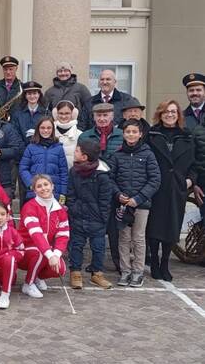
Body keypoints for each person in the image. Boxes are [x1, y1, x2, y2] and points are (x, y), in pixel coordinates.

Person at [146, 100, 195, 281]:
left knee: (171, 227)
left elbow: (195, 162)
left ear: (178, 114)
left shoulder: (187, 136)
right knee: (154, 226)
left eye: (173, 111)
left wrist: (190, 180)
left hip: (177, 187)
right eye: (166, 111)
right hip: (157, 187)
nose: (170, 115)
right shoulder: (151, 134)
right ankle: (155, 263)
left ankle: (165, 263)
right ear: (160, 114)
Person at [109, 119, 161, 287]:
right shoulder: (117, 155)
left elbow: (155, 179)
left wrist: (138, 199)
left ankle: (138, 272)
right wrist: (118, 195)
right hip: (122, 205)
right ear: (123, 134)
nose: (131, 134)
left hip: (141, 205)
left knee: (138, 238)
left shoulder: (148, 154)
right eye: (128, 132)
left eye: (134, 132)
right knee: (123, 238)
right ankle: (125, 271)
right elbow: (110, 178)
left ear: (140, 134)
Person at [78, 102, 124, 272]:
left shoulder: (121, 135)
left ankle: (118, 261)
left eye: (106, 115)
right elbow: (81, 160)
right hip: (93, 185)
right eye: (99, 116)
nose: (102, 119)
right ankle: (96, 262)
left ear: (112, 116)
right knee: (96, 226)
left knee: (114, 228)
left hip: (116, 184)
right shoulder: (85, 136)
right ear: (94, 117)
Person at [66, 139, 113, 289]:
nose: (75, 153)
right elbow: (71, 193)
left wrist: (101, 218)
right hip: (78, 216)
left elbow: (105, 200)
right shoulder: (74, 171)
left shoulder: (102, 174)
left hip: (96, 219)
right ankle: (75, 273)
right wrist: (73, 209)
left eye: (77, 151)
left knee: (98, 247)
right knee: (76, 246)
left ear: (85, 156)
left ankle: (97, 274)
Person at [17, 174, 70, 298]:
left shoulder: (60, 210)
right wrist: (49, 254)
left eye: (46, 185)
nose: (43, 188)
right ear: (34, 190)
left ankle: (37, 277)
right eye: (39, 186)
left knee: (60, 268)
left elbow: (63, 235)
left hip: (44, 250)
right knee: (40, 252)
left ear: (52, 186)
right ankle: (28, 284)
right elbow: (36, 235)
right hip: (25, 249)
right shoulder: (29, 207)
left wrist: (56, 255)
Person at [19, 116, 68, 201]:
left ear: (53, 130)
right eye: (42, 128)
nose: (46, 130)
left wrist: (63, 193)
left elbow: (63, 172)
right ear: (38, 129)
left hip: (54, 193)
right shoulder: (31, 147)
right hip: (35, 193)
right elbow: (23, 168)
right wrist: (31, 184)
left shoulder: (59, 148)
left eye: (49, 128)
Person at [10, 81, 47, 148]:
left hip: (41, 150)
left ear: (39, 95)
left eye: (35, 93)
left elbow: (49, 133)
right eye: (29, 94)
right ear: (25, 96)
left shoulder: (46, 113)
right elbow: (14, 134)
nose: (32, 96)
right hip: (21, 151)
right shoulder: (17, 114)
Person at [53, 100, 82, 167]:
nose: (63, 116)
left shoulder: (80, 135)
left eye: (67, 113)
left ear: (73, 114)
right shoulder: (50, 133)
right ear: (56, 114)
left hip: (73, 174)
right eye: (61, 113)